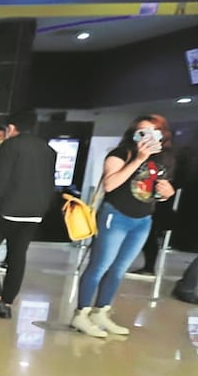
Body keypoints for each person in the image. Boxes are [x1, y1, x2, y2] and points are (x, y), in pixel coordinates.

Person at [72, 115, 175, 337]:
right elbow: (110, 184)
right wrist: (138, 159)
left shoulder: (162, 161)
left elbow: (151, 192)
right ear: (133, 135)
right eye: (142, 132)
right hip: (115, 216)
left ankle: (101, 311)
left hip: (143, 219)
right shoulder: (121, 154)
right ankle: (81, 313)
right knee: (99, 266)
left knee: (118, 270)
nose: (147, 138)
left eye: (153, 132)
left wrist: (166, 193)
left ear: (162, 135)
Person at [0, 109, 57, 318]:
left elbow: (1, 179)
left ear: (11, 128)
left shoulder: (11, 145)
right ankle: (7, 303)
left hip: (8, 210)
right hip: (35, 212)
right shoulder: (47, 149)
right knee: (18, 256)